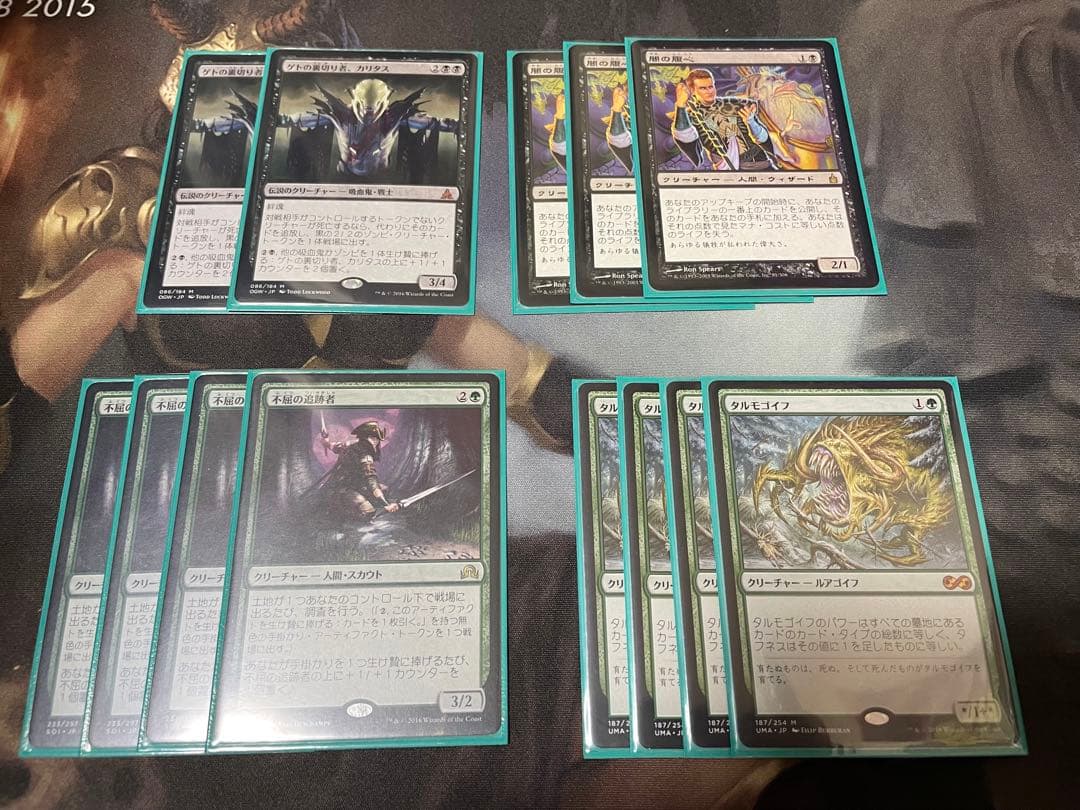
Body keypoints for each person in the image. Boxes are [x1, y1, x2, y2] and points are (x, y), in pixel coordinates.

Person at [671, 68, 775, 171]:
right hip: (727, 168)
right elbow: (685, 137)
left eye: (711, 86)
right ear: (692, 90)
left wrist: (751, 122)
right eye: (703, 88)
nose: (709, 91)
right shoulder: (690, 116)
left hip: (761, 164)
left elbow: (762, 138)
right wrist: (680, 105)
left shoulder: (737, 105)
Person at [317, 420, 400, 523]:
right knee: (367, 510)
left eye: (376, 438)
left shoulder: (349, 445)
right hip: (340, 487)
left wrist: (325, 440)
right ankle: (339, 511)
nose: (375, 442)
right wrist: (386, 505)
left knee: (384, 490)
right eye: (373, 438)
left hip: (356, 484)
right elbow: (371, 481)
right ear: (365, 437)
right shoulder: (364, 456)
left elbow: (332, 446)